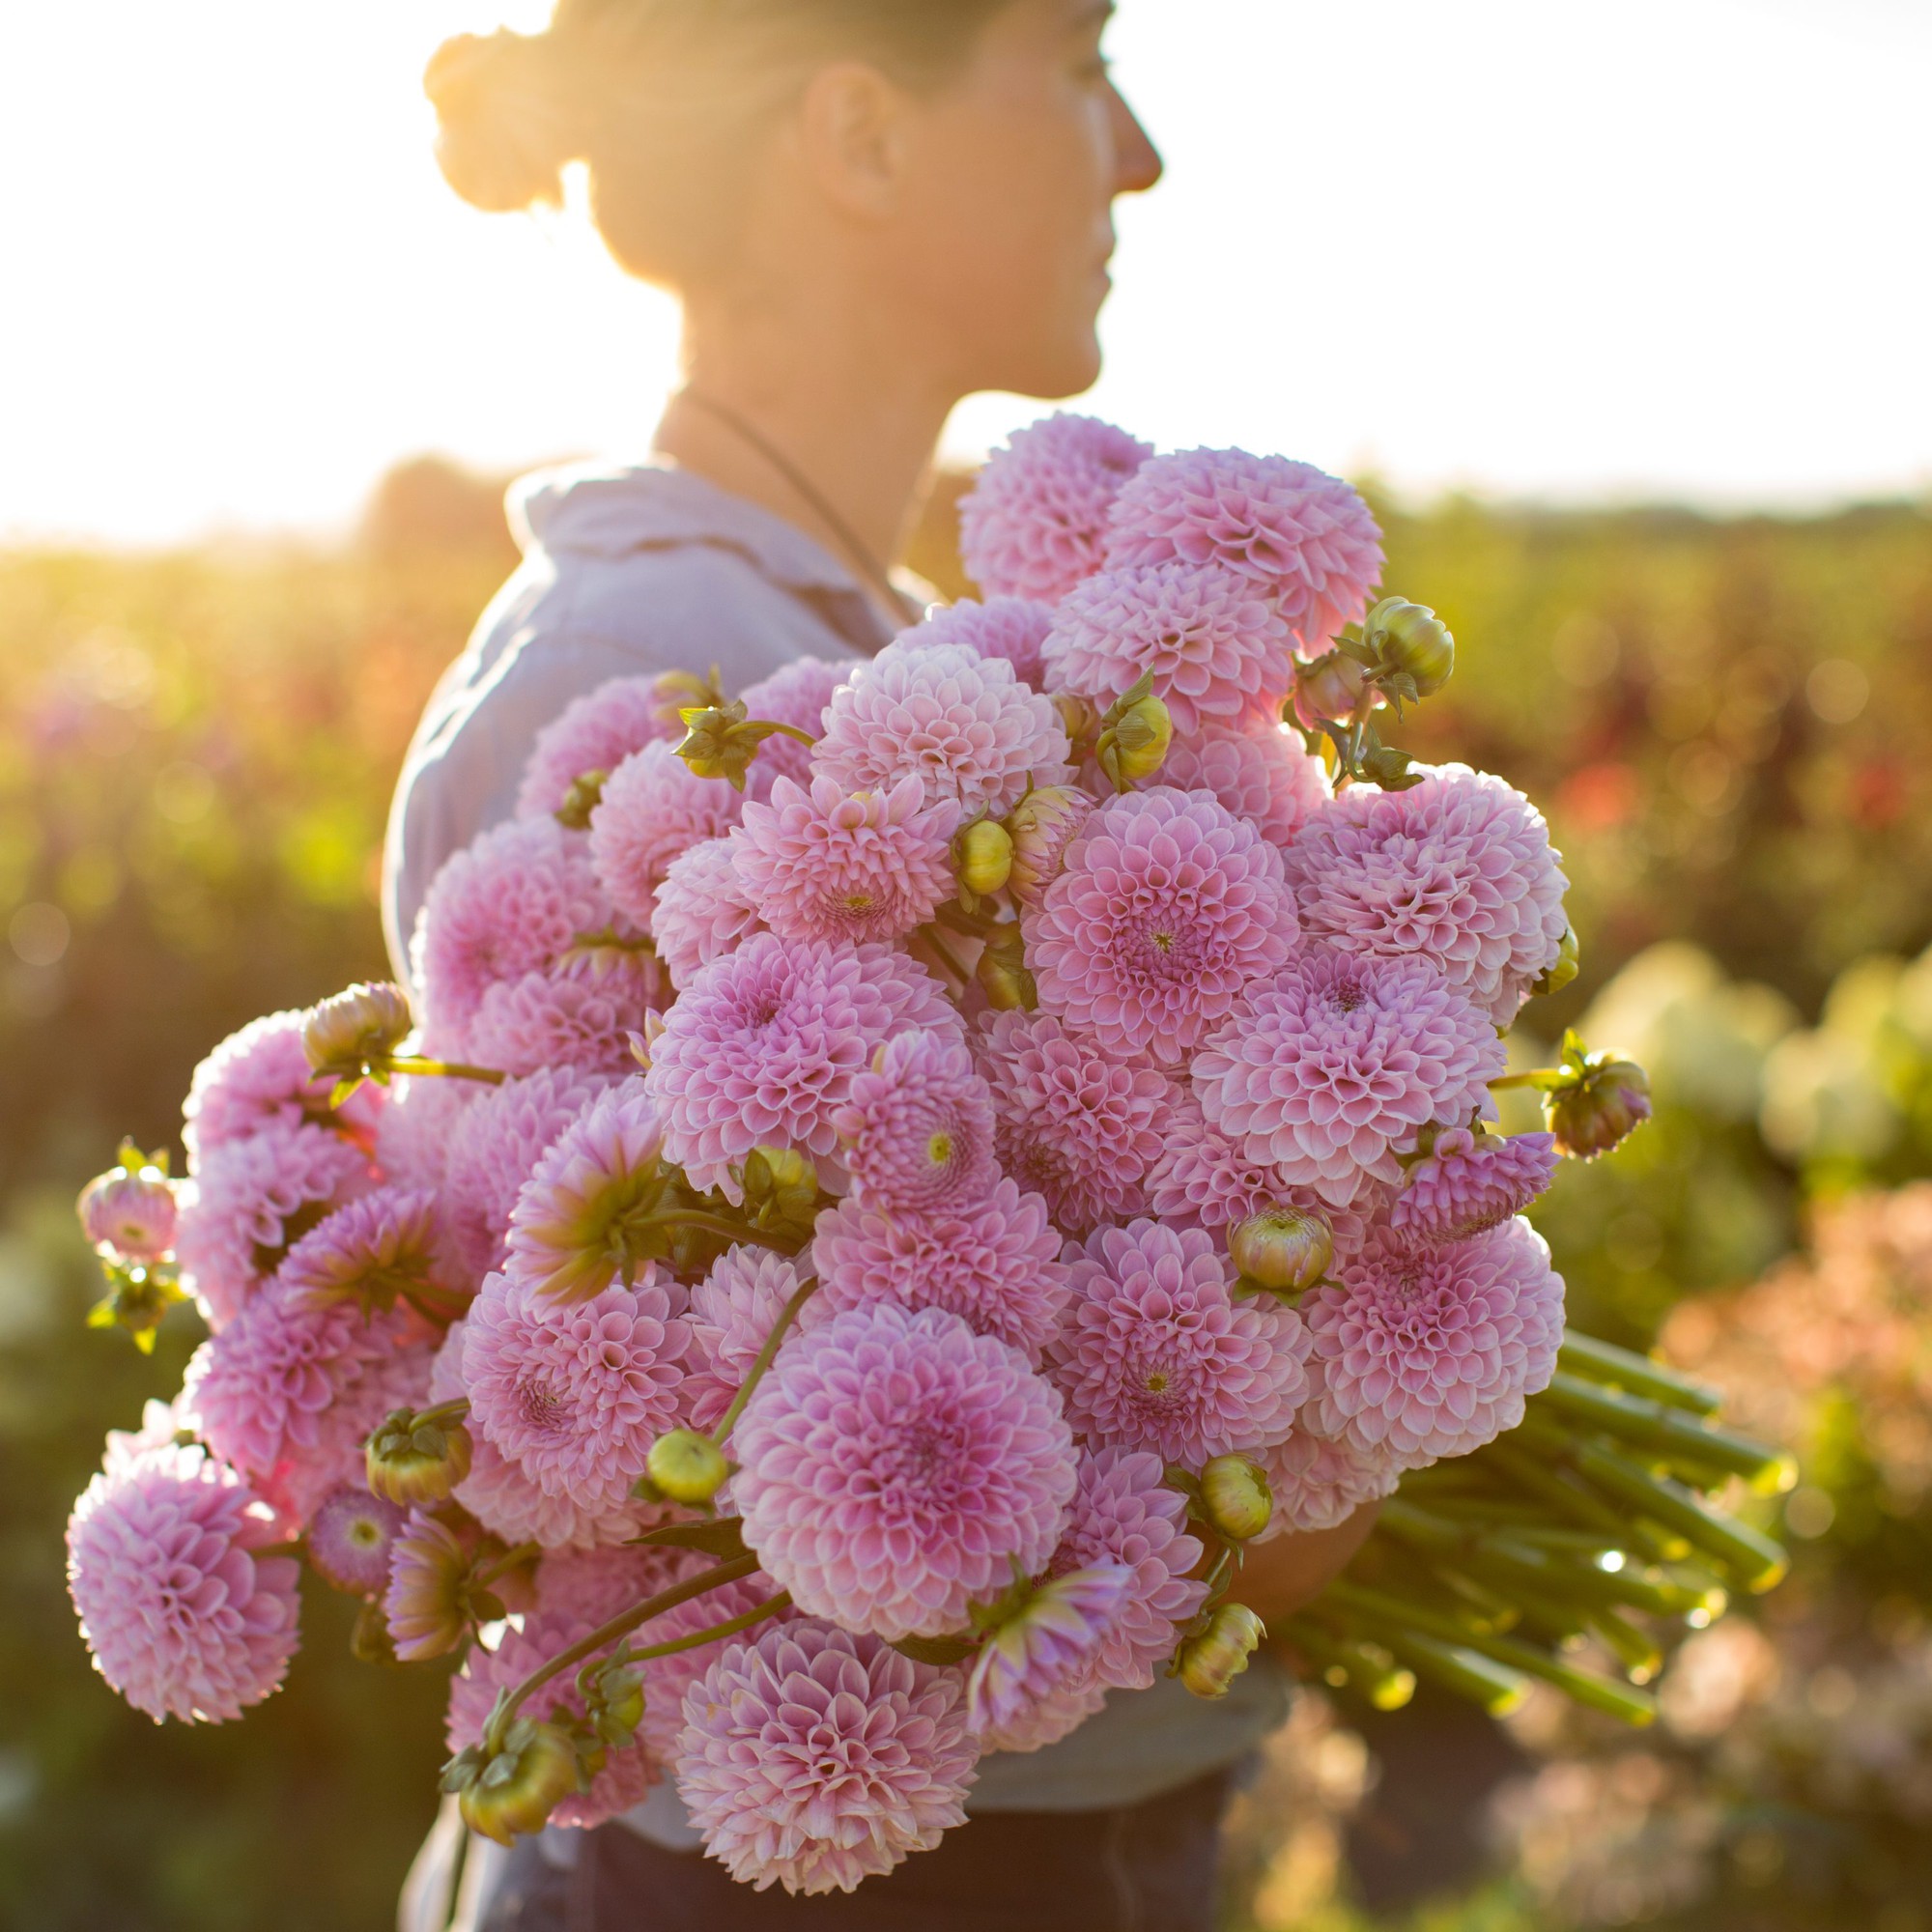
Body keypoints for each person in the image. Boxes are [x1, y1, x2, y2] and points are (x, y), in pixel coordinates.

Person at [385, 5, 1379, 1926]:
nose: (1140, 151)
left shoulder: (867, 649)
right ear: (858, 133)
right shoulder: (651, 678)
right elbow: (725, 1526)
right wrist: (1294, 1477)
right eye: (1079, 60)